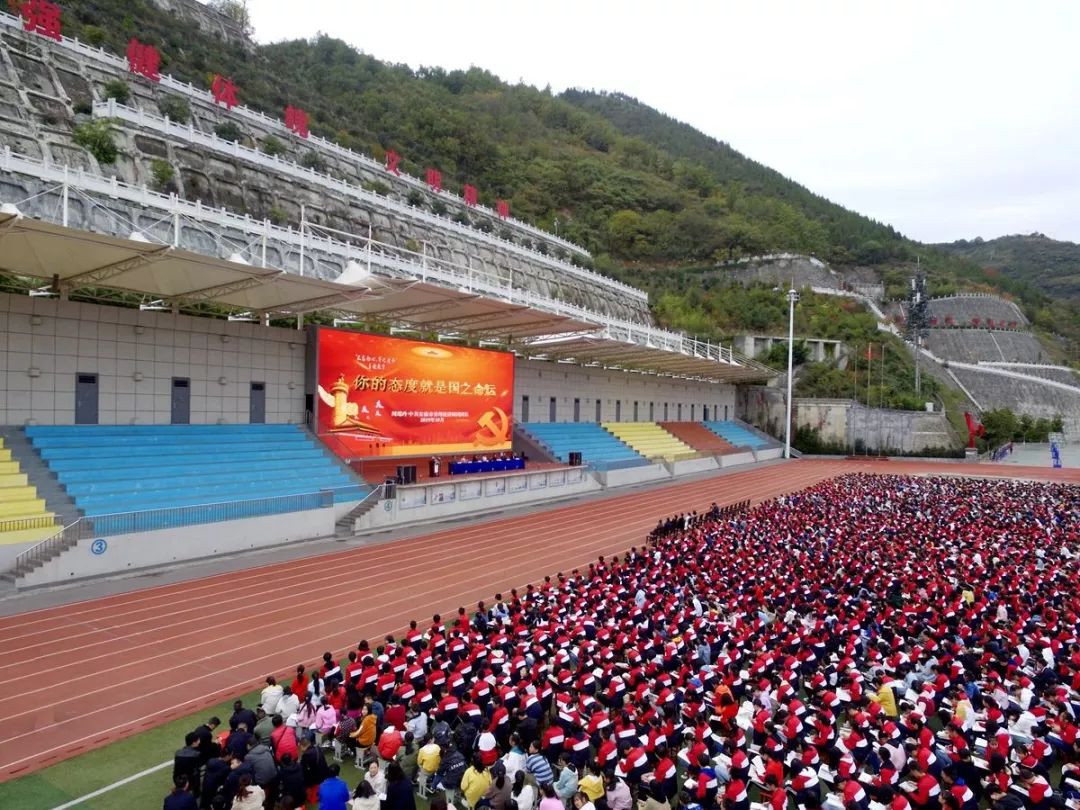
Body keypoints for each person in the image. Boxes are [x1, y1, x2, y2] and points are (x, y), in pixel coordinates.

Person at [173, 731, 202, 800]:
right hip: (190, 779)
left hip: (177, 777)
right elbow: (197, 767)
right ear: (194, 742)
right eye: (198, 740)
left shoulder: (178, 752)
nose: (199, 741)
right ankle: (196, 793)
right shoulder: (196, 754)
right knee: (197, 773)